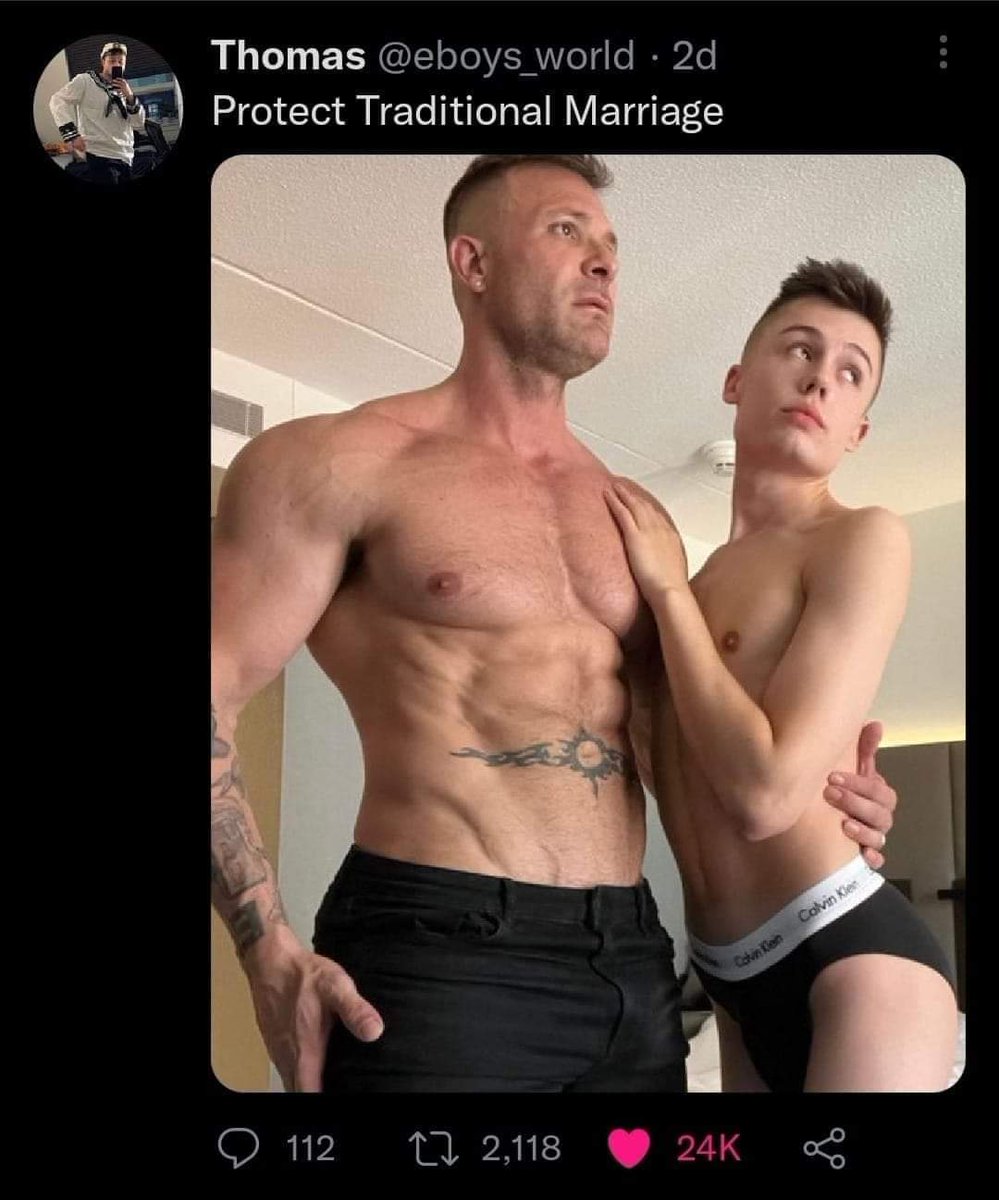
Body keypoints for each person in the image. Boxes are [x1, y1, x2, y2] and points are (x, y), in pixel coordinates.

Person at [211, 157, 898, 1093]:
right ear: (473, 262)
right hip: (439, 949)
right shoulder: (336, 462)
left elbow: (685, 756)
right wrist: (265, 946)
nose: (604, 262)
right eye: (567, 231)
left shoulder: (638, 523)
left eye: (611, 245)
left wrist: (832, 799)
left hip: (632, 958)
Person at [606, 259, 958, 1092]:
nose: (819, 378)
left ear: (856, 432)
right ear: (735, 381)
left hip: (849, 956)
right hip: (725, 977)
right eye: (799, 349)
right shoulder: (689, 588)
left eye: (850, 372)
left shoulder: (860, 537)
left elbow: (764, 798)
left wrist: (664, 591)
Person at [49, 41, 145, 184]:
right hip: (98, 153)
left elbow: (138, 124)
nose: (116, 65)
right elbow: (57, 100)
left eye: (121, 62)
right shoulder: (85, 81)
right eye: (112, 61)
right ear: (102, 62)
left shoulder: (124, 90)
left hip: (125, 155)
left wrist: (130, 96)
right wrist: (72, 135)